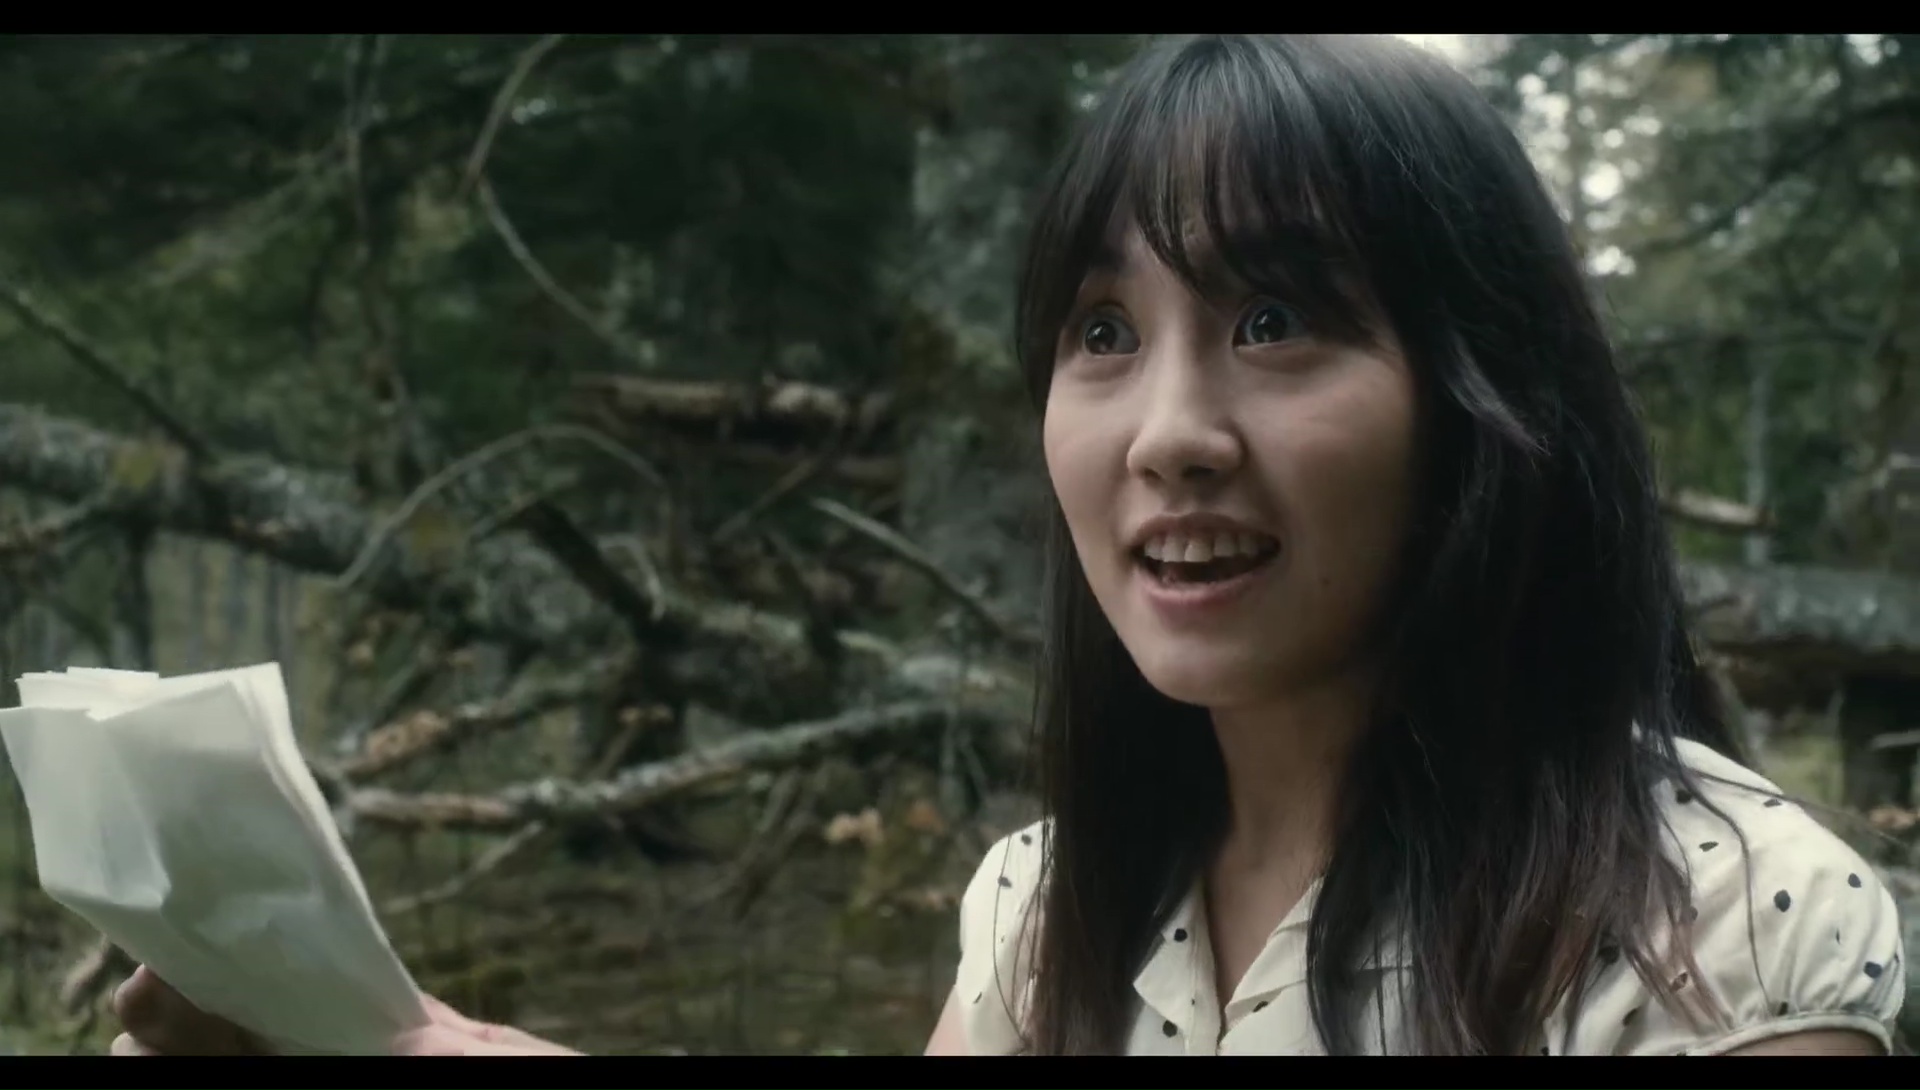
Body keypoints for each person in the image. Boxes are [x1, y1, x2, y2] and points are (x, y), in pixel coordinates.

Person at [110, 33, 1905, 1057]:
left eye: (1275, 319)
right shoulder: (1047, 913)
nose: (1170, 428)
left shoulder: (1726, 934)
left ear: (1484, 393)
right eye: (1103, 332)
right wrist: (413, 1043)